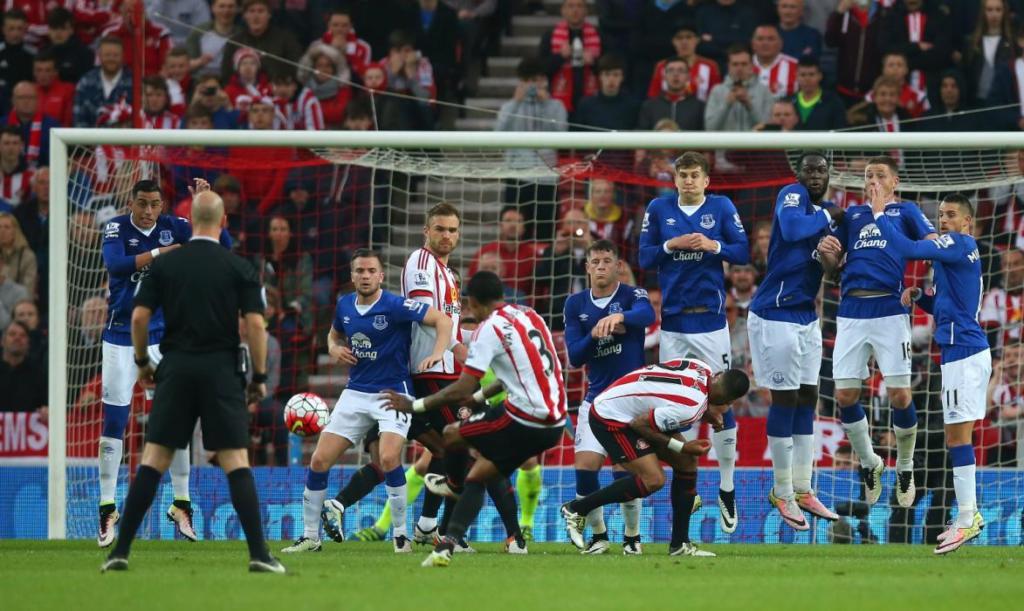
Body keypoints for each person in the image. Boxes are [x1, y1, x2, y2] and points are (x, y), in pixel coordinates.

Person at [100, 187, 284, 574]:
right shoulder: (239, 267)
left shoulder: (166, 265)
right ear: (222, 222)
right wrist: (260, 377)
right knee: (235, 460)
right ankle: (259, 556)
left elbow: (137, 317)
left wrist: (141, 362)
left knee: (153, 460)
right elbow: (254, 324)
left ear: (190, 220)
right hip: (220, 370)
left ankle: (119, 553)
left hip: (176, 366)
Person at [383, 271, 567, 568]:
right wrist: (479, 400)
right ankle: (446, 546)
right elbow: (512, 377)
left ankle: (452, 484)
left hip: (525, 419)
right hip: (554, 421)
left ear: (472, 302)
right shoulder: (529, 315)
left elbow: (463, 386)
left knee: (454, 434)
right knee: (480, 474)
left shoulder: (488, 328)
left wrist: (414, 405)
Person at [282, 249, 452, 554]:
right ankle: (310, 536)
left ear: (381, 276)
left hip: (393, 393)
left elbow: (441, 320)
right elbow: (333, 337)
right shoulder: (344, 305)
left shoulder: (395, 305)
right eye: (360, 271)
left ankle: (401, 536)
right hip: (356, 392)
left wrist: (439, 352)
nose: (365, 276)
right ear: (352, 275)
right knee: (319, 461)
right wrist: (333, 349)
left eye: (371, 271)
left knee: (388, 459)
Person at [96, 179, 230, 549]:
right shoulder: (117, 227)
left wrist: (207, 200)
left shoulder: (177, 226)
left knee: (178, 418)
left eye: (155, 204)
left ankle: (181, 503)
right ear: (131, 202)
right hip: (121, 335)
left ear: (163, 204)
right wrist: (161, 254)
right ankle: (107, 507)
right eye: (142, 204)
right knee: (114, 421)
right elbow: (116, 264)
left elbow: (223, 243)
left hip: (165, 337)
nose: (149, 211)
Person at [871, 192, 990, 554]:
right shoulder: (955, 257)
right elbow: (945, 303)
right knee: (957, 436)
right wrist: (920, 296)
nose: (944, 221)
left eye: (951, 215)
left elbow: (907, 248)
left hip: (964, 355)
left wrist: (879, 216)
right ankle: (968, 515)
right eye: (941, 215)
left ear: (967, 222)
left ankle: (968, 517)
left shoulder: (957, 242)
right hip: (962, 353)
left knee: (958, 438)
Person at [638, 150, 748, 534]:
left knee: (720, 401)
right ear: (675, 180)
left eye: (694, 175)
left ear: (706, 181)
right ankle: (690, 478)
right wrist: (672, 245)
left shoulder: (720, 207)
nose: (687, 180)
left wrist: (712, 245)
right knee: (672, 407)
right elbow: (644, 256)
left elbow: (744, 251)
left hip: (711, 322)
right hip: (672, 325)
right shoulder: (658, 208)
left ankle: (728, 486)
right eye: (682, 175)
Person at [831, 156, 937, 510]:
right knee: (845, 396)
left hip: (890, 310)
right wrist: (827, 253)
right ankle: (869, 461)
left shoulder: (905, 211)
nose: (872, 180)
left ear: (895, 182)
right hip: (851, 309)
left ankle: (905, 466)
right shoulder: (852, 216)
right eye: (868, 176)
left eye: (880, 175)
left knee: (900, 396)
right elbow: (833, 260)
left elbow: (932, 241)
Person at [560, 359, 750, 556]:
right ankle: (576, 508)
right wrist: (682, 446)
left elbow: (671, 391)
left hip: (621, 401)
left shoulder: (700, 367)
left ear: (719, 375)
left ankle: (679, 545)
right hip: (611, 418)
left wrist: (706, 415)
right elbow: (640, 425)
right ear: (728, 403)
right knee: (654, 479)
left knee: (687, 462)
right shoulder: (691, 408)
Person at [748, 152, 844, 531]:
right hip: (775, 313)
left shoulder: (828, 219)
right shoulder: (793, 196)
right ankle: (782, 490)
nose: (815, 176)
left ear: (829, 175)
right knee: (785, 398)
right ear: (798, 175)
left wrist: (832, 257)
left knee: (808, 397)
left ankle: (804, 488)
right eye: (809, 170)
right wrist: (827, 217)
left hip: (806, 314)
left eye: (821, 170)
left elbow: (832, 271)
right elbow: (789, 229)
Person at [564, 239, 654, 554]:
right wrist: (594, 334)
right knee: (585, 467)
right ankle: (599, 535)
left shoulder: (632, 296)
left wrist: (620, 318)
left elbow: (647, 315)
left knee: (626, 473)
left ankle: (632, 537)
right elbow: (575, 356)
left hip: (629, 400)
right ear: (587, 267)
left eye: (607, 261)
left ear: (617, 266)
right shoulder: (575, 304)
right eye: (595, 262)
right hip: (595, 400)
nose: (601, 266)